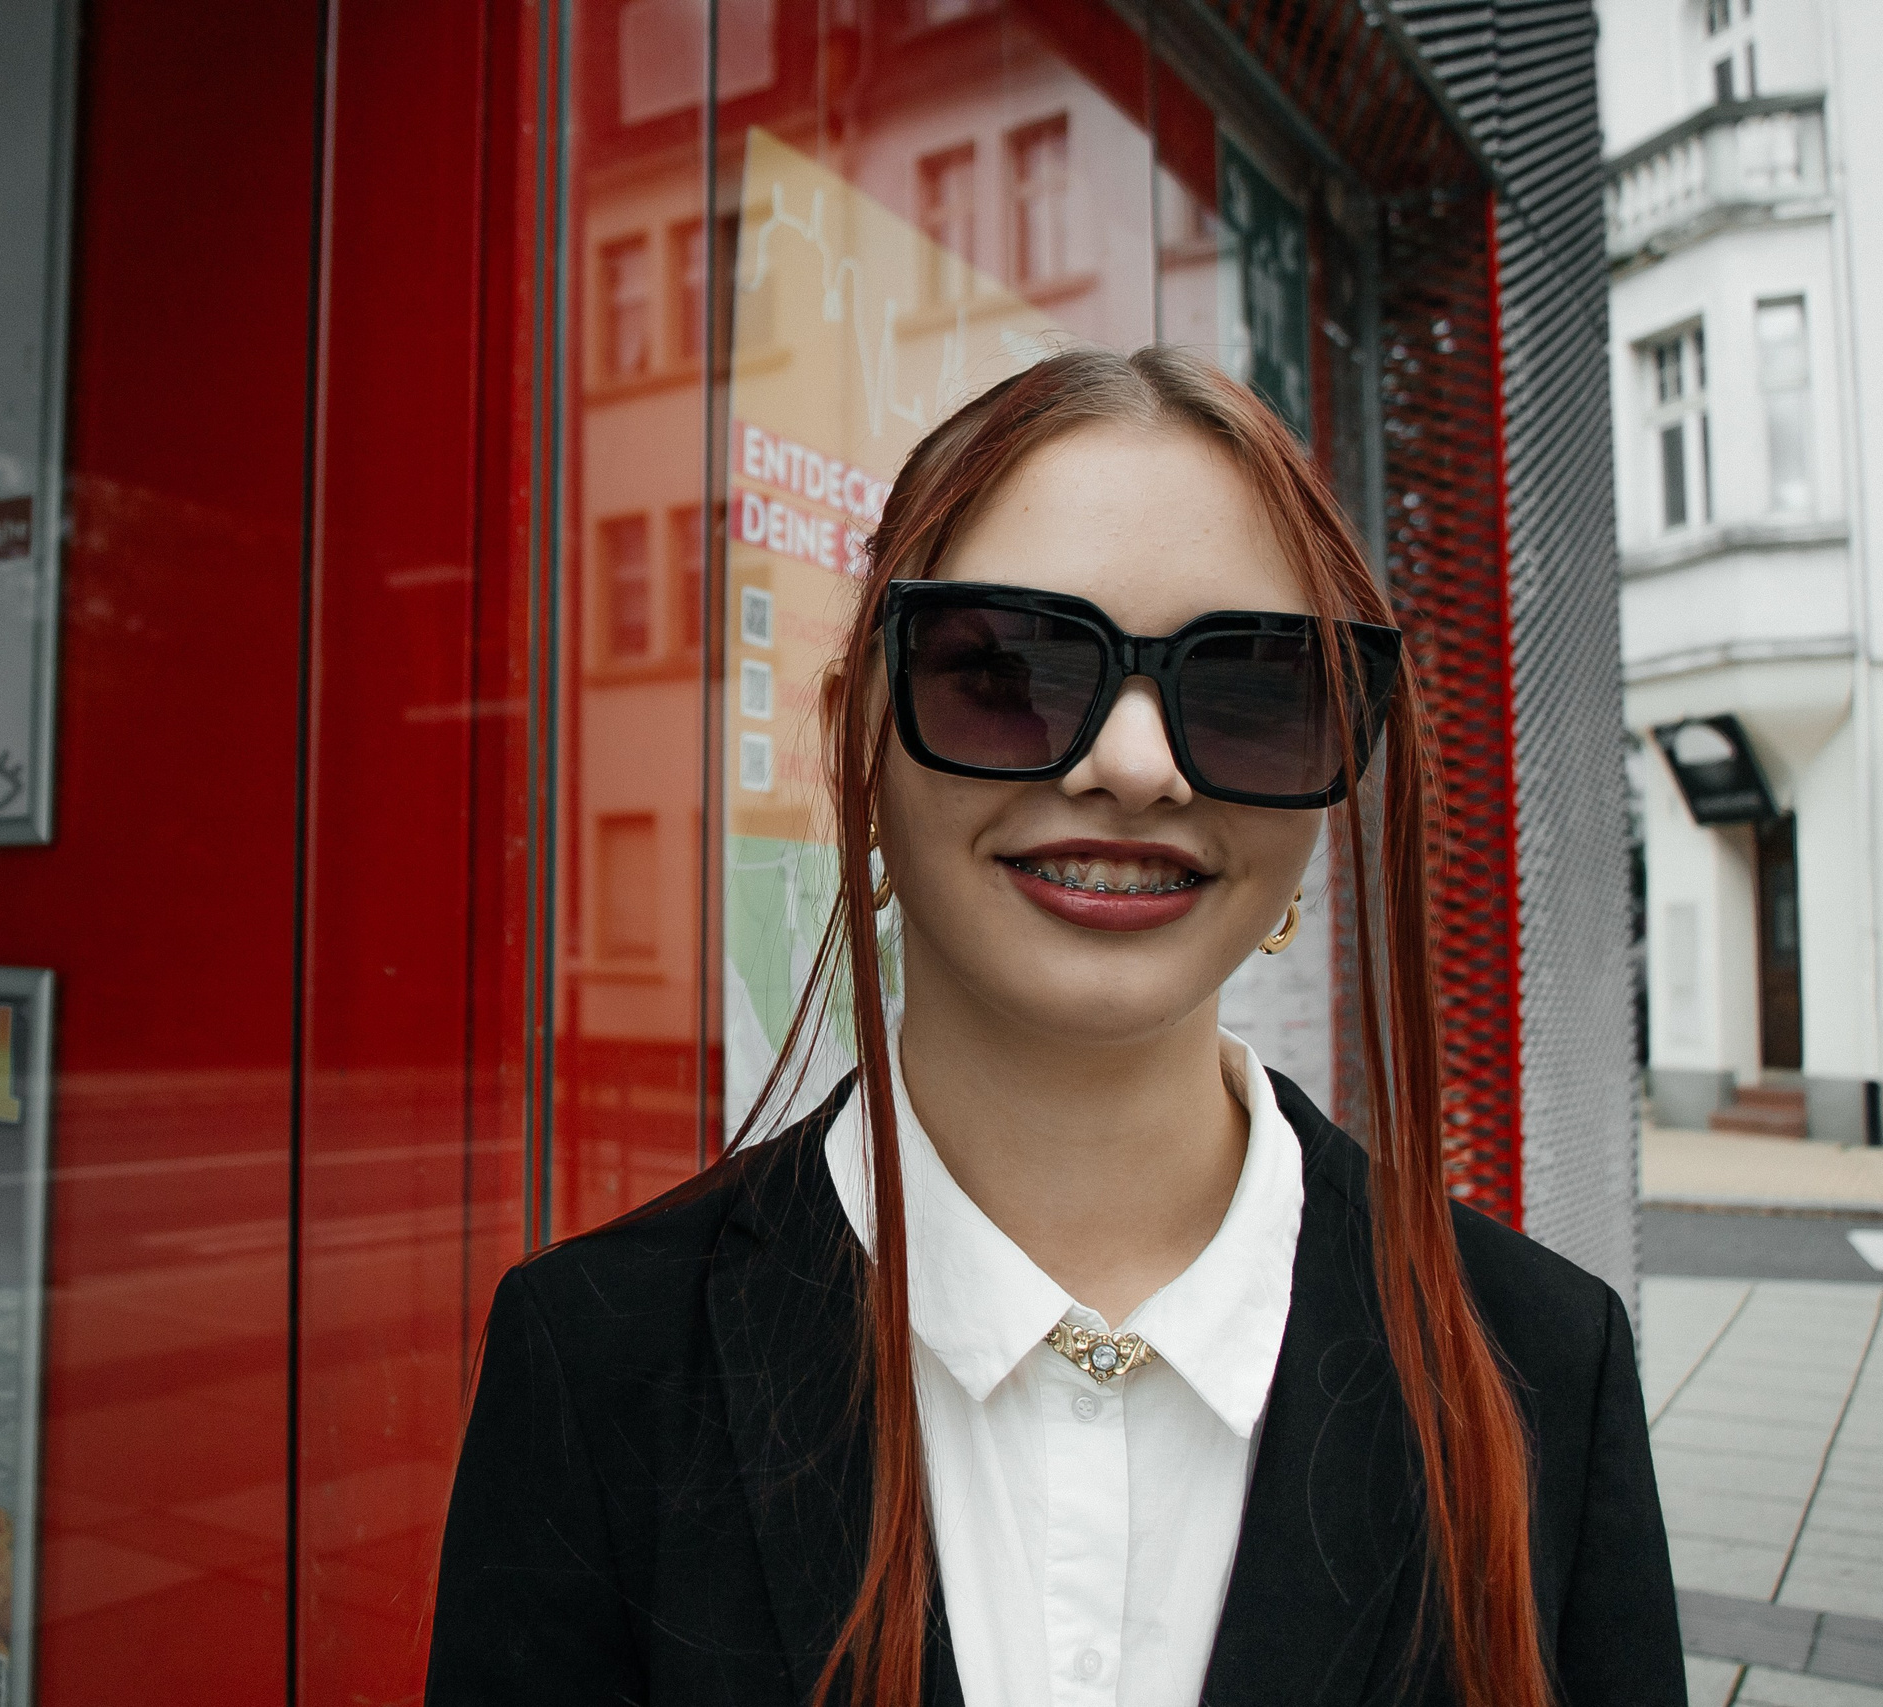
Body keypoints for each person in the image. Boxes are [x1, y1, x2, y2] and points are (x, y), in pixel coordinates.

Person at [425, 347, 1681, 1707]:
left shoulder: (1546, 1363)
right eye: (1010, 668)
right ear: (861, 744)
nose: (1134, 764)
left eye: (1252, 689)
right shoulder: (600, 1353)